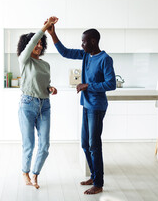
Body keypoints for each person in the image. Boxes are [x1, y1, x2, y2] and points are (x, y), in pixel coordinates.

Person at [47, 23, 116, 195]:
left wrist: (88, 85)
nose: (81, 45)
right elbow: (65, 52)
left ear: (93, 41)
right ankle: (93, 176)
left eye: (84, 41)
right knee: (85, 144)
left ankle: (98, 183)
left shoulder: (105, 59)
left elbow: (111, 84)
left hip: (97, 107)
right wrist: (53, 34)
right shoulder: (86, 55)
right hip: (86, 106)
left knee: (94, 145)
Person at [17, 16, 58, 189]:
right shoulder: (24, 61)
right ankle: (25, 172)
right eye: (37, 43)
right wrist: (45, 27)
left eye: (42, 43)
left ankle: (35, 173)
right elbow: (31, 42)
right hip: (27, 105)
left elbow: (45, 84)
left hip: (45, 106)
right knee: (29, 144)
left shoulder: (46, 65)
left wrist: (50, 88)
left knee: (45, 145)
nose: (39, 45)